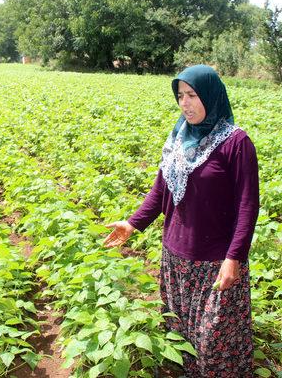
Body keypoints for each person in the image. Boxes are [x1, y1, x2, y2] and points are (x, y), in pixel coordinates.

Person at [103, 64, 259, 377]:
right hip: (175, 258)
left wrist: (234, 259)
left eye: (192, 95)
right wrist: (133, 223)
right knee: (182, 335)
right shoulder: (178, 138)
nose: (184, 103)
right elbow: (161, 190)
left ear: (211, 97)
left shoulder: (235, 143)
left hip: (214, 262)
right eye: (180, 95)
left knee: (215, 342)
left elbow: (247, 206)